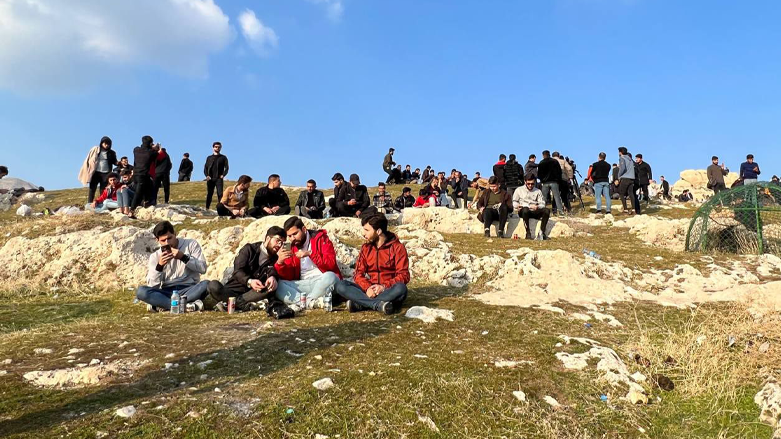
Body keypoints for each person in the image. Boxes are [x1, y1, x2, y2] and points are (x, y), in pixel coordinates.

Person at [203, 226, 294, 318]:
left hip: (252, 293)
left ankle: (233, 304)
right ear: (268, 238)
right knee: (213, 285)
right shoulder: (249, 249)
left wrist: (273, 277)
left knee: (271, 287)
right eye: (278, 240)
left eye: (282, 243)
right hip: (233, 290)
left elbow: (273, 271)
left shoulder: (276, 257)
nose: (279, 245)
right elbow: (238, 271)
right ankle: (241, 304)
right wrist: (250, 281)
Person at [335, 214, 410, 314]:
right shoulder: (365, 248)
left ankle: (361, 304)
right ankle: (377, 305)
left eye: (367, 230)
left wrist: (383, 287)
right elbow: (358, 274)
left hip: (387, 290)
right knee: (340, 285)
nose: (363, 234)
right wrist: (368, 288)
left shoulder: (397, 248)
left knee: (401, 289)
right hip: (369, 289)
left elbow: (404, 275)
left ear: (378, 231)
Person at [136, 221, 209, 312]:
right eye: (163, 240)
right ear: (157, 240)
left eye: (169, 238)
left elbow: (203, 268)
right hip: (167, 292)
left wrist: (183, 257)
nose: (167, 243)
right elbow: (152, 286)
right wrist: (160, 266)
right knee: (141, 291)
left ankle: (164, 305)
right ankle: (185, 306)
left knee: (207, 284)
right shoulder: (155, 256)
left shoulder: (191, 244)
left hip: (189, 289)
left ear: (175, 234)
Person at [274, 217, 343, 311]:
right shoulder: (291, 247)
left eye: (295, 234)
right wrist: (280, 263)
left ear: (304, 229)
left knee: (331, 276)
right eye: (289, 236)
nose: (293, 238)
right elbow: (288, 276)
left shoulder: (321, 238)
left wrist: (310, 254)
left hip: (322, 280)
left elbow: (331, 264)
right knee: (278, 284)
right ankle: (311, 302)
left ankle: (304, 302)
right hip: (304, 284)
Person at [79, 136, 118, 204]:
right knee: (92, 188)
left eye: (108, 144)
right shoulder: (97, 150)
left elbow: (114, 162)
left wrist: (119, 163)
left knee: (103, 190)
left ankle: (101, 204)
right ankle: (89, 203)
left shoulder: (112, 153)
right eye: (105, 143)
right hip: (96, 172)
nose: (106, 145)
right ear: (101, 143)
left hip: (106, 173)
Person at [513, 173, 551, 240]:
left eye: (532, 184)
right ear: (525, 182)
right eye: (528, 184)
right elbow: (514, 202)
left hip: (534, 210)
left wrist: (537, 206)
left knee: (547, 210)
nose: (530, 185)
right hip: (524, 210)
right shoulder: (519, 190)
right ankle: (528, 233)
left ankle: (542, 232)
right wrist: (520, 206)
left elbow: (542, 203)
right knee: (525, 210)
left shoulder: (538, 191)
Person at [130, 136, 157, 217]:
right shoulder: (151, 152)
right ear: (150, 143)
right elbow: (156, 155)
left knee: (149, 184)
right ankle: (132, 210)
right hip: (143, 175)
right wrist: (156, 148)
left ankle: (147, 201)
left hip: (135, 174)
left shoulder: (136, 150)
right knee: (138, 192)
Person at [537, 150, 564, 216]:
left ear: (543, 155)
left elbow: (539, 174)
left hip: (545, 182)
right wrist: (558, 180)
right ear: (549, 154)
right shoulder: (555, 161)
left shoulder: (541, 163)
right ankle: (561, 211)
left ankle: (542, 211)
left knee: (544, 198)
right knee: (557, 197)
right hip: (554, 181)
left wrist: (542, 180)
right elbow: (559, 172)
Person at [204, 142, 229, 210]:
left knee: (220, 194)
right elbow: (205, 168)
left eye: (219, 147)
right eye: (216, 147)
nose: (217, 148)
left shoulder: (223, 157)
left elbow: (227, 167)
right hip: (210, 179)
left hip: (219, 179)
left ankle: (220, 209)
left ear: (221, 148)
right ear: (213, 148)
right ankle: (207, 208)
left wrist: (223, 175)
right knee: (209, 194)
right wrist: (207, 176)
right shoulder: (209, 158)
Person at [616, 147, 637, 214]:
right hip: (631, 178)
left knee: (622, 193)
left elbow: (622, 168)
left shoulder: (622, 158)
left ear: (620, 152)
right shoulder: (630, 159)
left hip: (625, 178)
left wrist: (618, 176)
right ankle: (633, 209)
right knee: (631, 193)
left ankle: (625, 209)